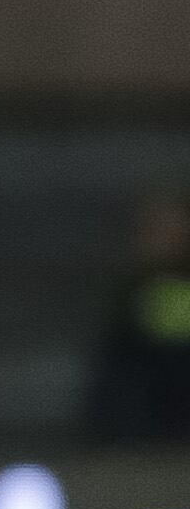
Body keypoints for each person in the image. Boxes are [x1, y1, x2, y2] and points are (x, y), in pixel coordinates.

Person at [86, 189, 190, 442]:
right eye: (151, 227)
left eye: (166, 226)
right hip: (147, 439)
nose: (156, 237)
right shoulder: (133, 295)